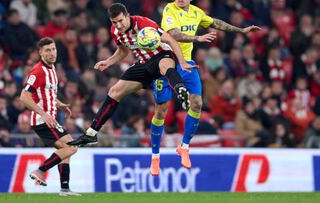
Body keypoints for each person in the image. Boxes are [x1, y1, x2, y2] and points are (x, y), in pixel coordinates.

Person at [149, 0, 261, 176]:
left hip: (186, 64)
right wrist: (198, 38)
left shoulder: (196, 12)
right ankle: (155, 157)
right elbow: (173, 35)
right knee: (161, 111)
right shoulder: (169, 9)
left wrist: (241, 30)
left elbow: (216, 23)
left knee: (197, 103)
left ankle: (184, 147)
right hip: (166, 63)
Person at [67, 3, 195, 146]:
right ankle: (91, 134)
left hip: (162, 55)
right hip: (144, 62)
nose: (118, 25)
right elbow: (123, 51)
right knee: (114, 92)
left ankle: (181, 91)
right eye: (114, 22)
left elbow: (170, 40)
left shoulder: (144, 24)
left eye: (121, 21)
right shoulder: (115, 31)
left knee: (164, 66)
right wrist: (109, 61)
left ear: (127, 16)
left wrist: (182, 62)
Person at [19, 37, 80, 196]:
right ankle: (40, 170)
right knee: (71, 147)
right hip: (42, 120)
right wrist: (44, 114)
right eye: (47, 50)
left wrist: (58, 104)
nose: (52, 53)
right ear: (40, 53)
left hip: (50, 118)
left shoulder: (52, 69)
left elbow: (46, 93)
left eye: (53, 49)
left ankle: (65, 189)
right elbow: (24, 96)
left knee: (67, 150)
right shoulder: (38, 71)